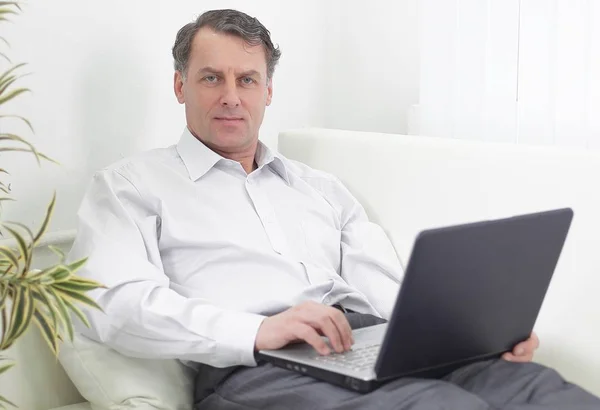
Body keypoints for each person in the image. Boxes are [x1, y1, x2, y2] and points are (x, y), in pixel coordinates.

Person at [68, 9, 600, 410]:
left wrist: (467, 337)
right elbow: (114, 305)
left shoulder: (319, 187)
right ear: (181, 85)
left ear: (268, 92)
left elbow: (383, 285)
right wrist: (258, 332)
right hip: (256, 370)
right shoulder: (128, 186)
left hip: (366, 344)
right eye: (212, 78)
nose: (231, 95)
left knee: (544, 392)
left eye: (246, 79)